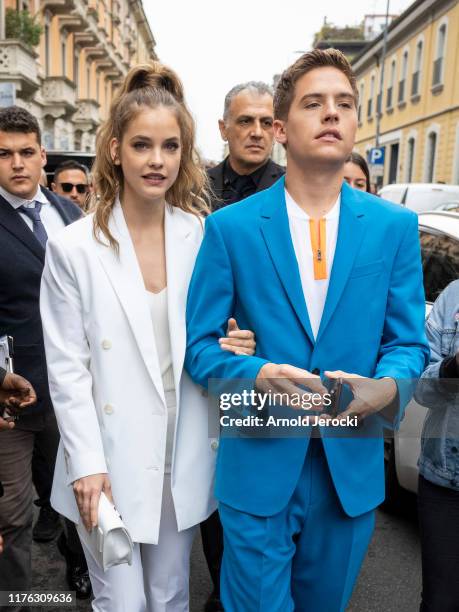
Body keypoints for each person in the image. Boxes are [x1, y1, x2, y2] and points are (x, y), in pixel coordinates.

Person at [185, 48, 429, 612]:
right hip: (259, 463)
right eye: (314, 103)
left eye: (344, 103)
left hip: (350, 471)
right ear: (279, 129)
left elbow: (408, 342)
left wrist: (389, 387)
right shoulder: (230, 229)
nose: (331, 114)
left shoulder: (393, 227)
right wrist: (255, 371)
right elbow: (199, 348)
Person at [39, 61, 256, 612]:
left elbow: (207, 339)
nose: (156, 160)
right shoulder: (73, 248)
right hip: (106, 459)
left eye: (170, 146)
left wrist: (234, 347)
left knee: (171, 595)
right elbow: (68, 368)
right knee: (123, 602)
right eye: (141, 145)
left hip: (180, 450)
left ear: (184, 153)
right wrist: (87, 464)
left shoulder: (201, 236)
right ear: (115, 150)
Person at [0, 106, 90, 606]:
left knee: (78, 493)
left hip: (71, 389)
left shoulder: (70, 214)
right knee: (12, 512)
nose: (16, 163)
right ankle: (13, 597)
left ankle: (82, 569)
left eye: (26, 152)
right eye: (4, 154)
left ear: (43, 156)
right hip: (11, 398)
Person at [415, 280, 459, 612]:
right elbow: (420, 390)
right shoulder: (454, 295)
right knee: (440, 603)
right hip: (446, 481)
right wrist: (452, 368)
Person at [207, 81, 284, 211]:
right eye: (245, 121)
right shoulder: (195, 189)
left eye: (266, 123)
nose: (257, 133)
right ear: (223, 129)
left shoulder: (291, 188)